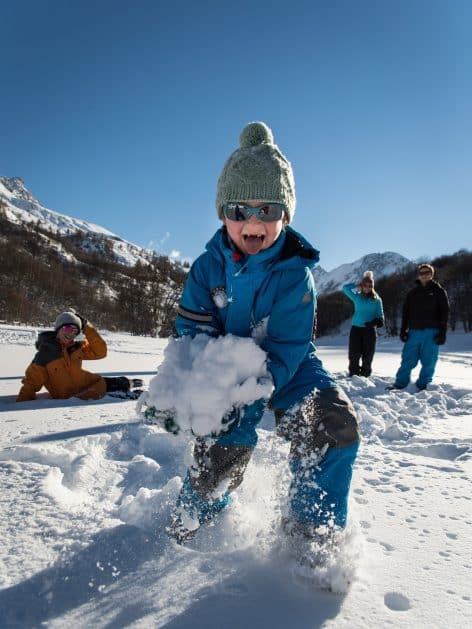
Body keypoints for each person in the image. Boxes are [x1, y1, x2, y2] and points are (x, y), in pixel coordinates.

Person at [149, 121, 360, 553]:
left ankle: (310, 539)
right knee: (221, 448)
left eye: (268, 210)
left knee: (333, 426)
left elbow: (286, 346)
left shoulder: (295, 276)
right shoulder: (207, 270)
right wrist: (194, 391)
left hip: (291, 367)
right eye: (239, 210)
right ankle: (190, 525)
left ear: (285, 215)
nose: (253, 222)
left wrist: (258, 389)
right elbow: (191, 336)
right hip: (225, 371)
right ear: (222, 213)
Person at [16, 310, 142, 402]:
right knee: (108, 388)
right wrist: (21, 404)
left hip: (90, 382)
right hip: (82, 394)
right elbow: (31, 382)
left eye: (75, 331)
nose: (70, 333)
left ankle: (128, 383)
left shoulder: (75, 348)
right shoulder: (46, 353)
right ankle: (128, 391)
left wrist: (87, 326)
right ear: (58, 328)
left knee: (115, 382)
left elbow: (100, 352)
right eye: (67, 328)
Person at [387, 263, 449, 391]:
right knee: (407, 359)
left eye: (427, 272)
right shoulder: (412, 293)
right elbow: (406, 313)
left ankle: (423, 385)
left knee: (429, 361)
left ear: (432, 274)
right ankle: (400, 383)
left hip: (432, 332)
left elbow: (445, 312)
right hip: (414, 331)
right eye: (422, 273)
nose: (424, 275)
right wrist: (403, 330)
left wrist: (442, 332)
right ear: (418, 275)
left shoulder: (439, 291)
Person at [343, 271, 384, 377]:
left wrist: (374, 322)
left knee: (368, 355)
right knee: (354, 354)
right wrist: (357, 285)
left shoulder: (377, 300)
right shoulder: (357, 297)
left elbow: (380, 317)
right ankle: (354, 375)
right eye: (365, 285)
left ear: (372, 287)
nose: (367, 287)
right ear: (362, 286)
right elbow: (345, 288)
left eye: (370, 286)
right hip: (356, 330)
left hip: (369, 331)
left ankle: (365, 375)